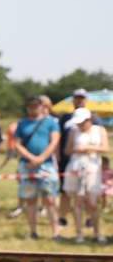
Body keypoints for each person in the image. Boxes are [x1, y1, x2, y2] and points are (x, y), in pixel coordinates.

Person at [12, 96, 61, 239]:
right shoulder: (22, 124)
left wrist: (41, 158)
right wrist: (31, 158)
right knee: (30, 200)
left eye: (36, 106)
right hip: (27, 166)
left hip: (47, 166)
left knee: (50, 199)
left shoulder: (51, 122)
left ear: (41, 106)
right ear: (27, 108)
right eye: (31, 106)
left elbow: (54, 142)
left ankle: (56, 232)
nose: (33, 108)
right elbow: (17, 144)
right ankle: (33, 231)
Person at [64, 107, 109, 243]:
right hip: (76, 168)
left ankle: (97, 232)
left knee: (93, 202)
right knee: (78, 201)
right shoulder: (73, 131)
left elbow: (106, 148)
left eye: (82, 122)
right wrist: (76, 150)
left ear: (89, 120)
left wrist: (89, 148)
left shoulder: (99, 130)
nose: (79, 125)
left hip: (93, 169)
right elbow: (67, 150)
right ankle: (79, 234)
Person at [57, 89, 89, 226]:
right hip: (66, 159)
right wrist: (58, 155)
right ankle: (63, 217)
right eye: (77, 98)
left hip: (87, 161)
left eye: (82, 98)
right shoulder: (65, 118)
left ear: (86, 100)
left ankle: (89, 218)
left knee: (87, 190)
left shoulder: (94, 118)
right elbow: (59, 138)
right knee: (65, 190)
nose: (79, 100)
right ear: (73, 99)